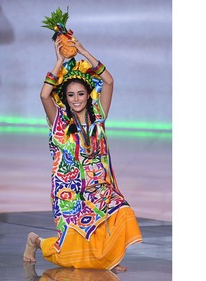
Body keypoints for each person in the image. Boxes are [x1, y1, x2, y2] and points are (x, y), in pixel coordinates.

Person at [23, 36, 142, 271]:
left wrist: (84, 51)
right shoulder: (59, 120)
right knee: (71, 254)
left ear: (88, 95)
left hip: (99, 186)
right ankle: (35, 241)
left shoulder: (98, 115)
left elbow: (108, 81)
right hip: (71, 190)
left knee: (123, 213)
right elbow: (44, 95)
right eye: (70, 95)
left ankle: (109, 258)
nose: (76, 99)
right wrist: (59, 61)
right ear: (65, 98)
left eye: (80, 93)